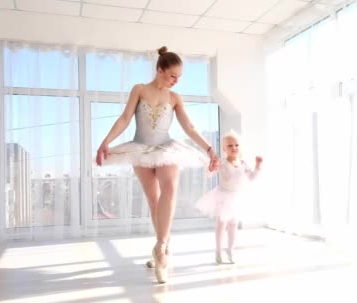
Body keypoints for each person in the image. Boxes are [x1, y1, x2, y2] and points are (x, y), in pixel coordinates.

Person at [95, 46, 219, 283]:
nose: (176, 81)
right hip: (141, 149)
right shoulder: (139, 89)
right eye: (173, 76)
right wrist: (106, 142)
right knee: (154, 200)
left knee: (170, 190)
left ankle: (161, 249)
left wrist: (210, 149)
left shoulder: (174, 98)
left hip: (166, 149)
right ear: (160, 70)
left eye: (179, 77)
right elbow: (124, 118)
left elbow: (189, 127)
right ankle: (163, 248)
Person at [196, 131, 263, 264]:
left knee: (233, 225)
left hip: (236, 197)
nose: (234, 148)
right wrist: (211, 166)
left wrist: (257, 167)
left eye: (237, 145)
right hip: (223, 196)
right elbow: (210, 174)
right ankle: (218, 251)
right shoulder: (222, 162)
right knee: (221, 224)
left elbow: (251, 178)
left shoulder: (243, 163)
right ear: (224, 148)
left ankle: (231, 250)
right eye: (230, 145)